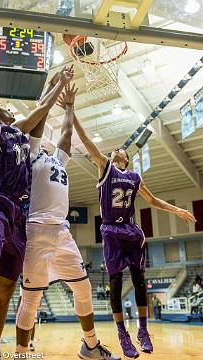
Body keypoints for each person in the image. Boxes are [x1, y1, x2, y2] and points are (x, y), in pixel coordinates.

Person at [0, 54, 73, 359]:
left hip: (18, 217)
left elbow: (42, 109)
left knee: (8, 287)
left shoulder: (20, 131)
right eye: (3, 107)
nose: (10, 109)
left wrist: (59, 83)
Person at [73, 114, 196, 358]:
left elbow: (152, 201)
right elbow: (87, 141)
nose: (115, 150)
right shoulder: (105, 168)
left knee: (140, 281)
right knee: (116, 283)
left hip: (131, 230)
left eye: (120, 149)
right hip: (110, 230)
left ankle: (143, 331)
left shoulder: (134, 177)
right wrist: (72, 113)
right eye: (114, 149)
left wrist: (177, 210)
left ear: (126, 158)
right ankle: (123, 335)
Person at [16, 84, 120, 360]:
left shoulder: (58, 161)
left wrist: (71, 106)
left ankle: (91, 346)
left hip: (62, 233)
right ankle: (21, 354)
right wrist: (51, 89)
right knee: (31, 300)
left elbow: (66, 133)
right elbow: (38, 121)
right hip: (36, 230)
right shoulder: (32, 155)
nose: (54, 143)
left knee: (83, 288)